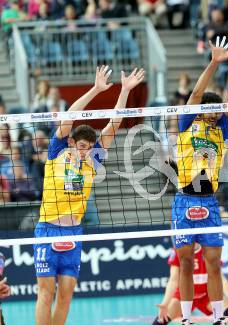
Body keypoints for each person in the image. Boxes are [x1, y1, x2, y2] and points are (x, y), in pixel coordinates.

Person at [34, 65, 145, 325]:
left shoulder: (93, 160)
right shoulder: (57, 152)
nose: (85, 151)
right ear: (72, 143)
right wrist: (96, 89)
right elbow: (69, 117)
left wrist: (125, 90)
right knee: (46, 293)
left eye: (89, 147)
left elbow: (114, 124)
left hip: (73, 232)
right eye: (82, 146)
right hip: (48, 229)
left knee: (65, 297)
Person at [172, 37, 228, 325]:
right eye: (208, 109)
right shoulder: (188, 123)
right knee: (185, 263)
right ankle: (185, 319)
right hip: (184, 200)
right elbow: (197, 93)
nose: (212, 112)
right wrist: (214, 62)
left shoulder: (222, 130)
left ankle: (217, 317)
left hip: (209, 202)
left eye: (216, 109)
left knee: (213, 264)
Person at [154, 243, 228, 325]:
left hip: (207, 295)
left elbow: (220, 278)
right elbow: (173, 280)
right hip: (183, 296)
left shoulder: (209, 248)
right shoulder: (179, 249)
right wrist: (165, 304)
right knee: (160, 321)